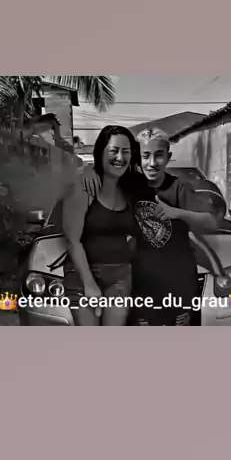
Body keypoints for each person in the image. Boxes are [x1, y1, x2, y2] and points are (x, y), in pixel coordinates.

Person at [82, 127, 226, 325]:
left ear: (168, 157)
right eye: (145, 156)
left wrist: (177, 213)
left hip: (178, 287)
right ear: (137, 158)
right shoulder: (130, 185)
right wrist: (88, 169)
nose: (152, 163)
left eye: (158, 155)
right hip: (141, 288)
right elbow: (104, 173)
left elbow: (210, 223)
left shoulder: (180, 188)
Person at [61, 125, 141, 326]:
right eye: (114, 150)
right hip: (83, 275)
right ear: (101, 152)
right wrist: (89, 284)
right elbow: (72, 241)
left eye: (126, 151)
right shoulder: (84, 186)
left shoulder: (130, 188)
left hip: (120, 276)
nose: (120, 157)